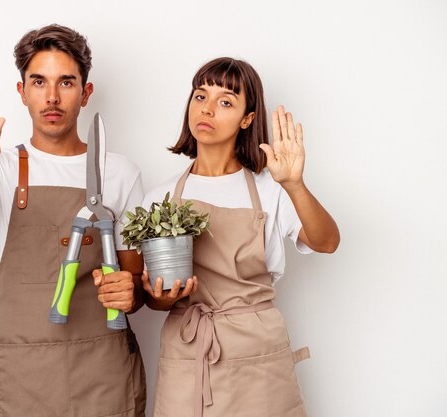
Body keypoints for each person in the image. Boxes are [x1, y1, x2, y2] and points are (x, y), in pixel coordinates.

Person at [0, 24, 146, 417]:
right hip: (22, 372)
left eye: (66, 82)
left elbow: (136, 290)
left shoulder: (120, 174)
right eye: (39, 82)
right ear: (22, 92)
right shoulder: (0, 167)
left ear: (86, 93)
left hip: (102, 373)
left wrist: (129, 293)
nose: (52, 97)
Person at [141, 57, 340, 417]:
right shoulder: (161, 197)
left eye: (226, 102)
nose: (208, 109)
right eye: (200, 96)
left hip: (257, 355)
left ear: (248, 119)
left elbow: (326, 241)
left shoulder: (271, 188)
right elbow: (156, 300)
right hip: (189, 350)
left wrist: (294, 184)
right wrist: (162, 297)